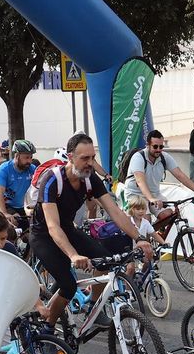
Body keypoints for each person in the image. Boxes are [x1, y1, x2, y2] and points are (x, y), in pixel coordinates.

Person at [29, 133, 154, 324]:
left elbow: (115, 212)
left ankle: (93, 307)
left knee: (104, 261)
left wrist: (139, 238)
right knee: (68, 286)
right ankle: (48, 327)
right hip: (43, 235)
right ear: (70, 157)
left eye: (93, 158)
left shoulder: (90, 179)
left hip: (68, 230)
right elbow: (53, 227)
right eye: (85, 158)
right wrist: (73, 255)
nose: (90, 163)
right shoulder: (52, 180)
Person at [126, 129, 194, 223]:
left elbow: (179, 175)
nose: (158, 149)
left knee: (169, 216)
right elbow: (140, 181)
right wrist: (151, 199)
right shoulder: (138, 157)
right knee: (145, 220)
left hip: (154, 194)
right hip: (136, 195)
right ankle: (145, 235)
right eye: (155, 146)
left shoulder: (164, 157)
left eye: (161, 146)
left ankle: (154, 236)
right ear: (147, 145)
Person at [0, 139, 38, 229]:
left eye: (31, 157)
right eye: (26, 157)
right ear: (17, 156)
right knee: (13, 225)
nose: (29, 161)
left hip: (21, 205)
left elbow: (39, 189)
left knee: (29, 229)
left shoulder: (32, 169)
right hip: (3, 204)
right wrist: (5, 213)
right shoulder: (4, 169)